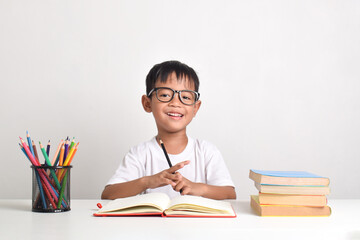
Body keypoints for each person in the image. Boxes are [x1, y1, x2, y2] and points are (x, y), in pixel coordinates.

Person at [101, 60, 236, 200]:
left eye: (185, 97)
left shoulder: (207, 152)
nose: (176, 103)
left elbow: (229, 194)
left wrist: (199, 188)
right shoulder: (139, 154)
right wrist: (147, 181)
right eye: (165, 95)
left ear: (195, 108)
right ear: (147, 104)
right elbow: (108, 194)